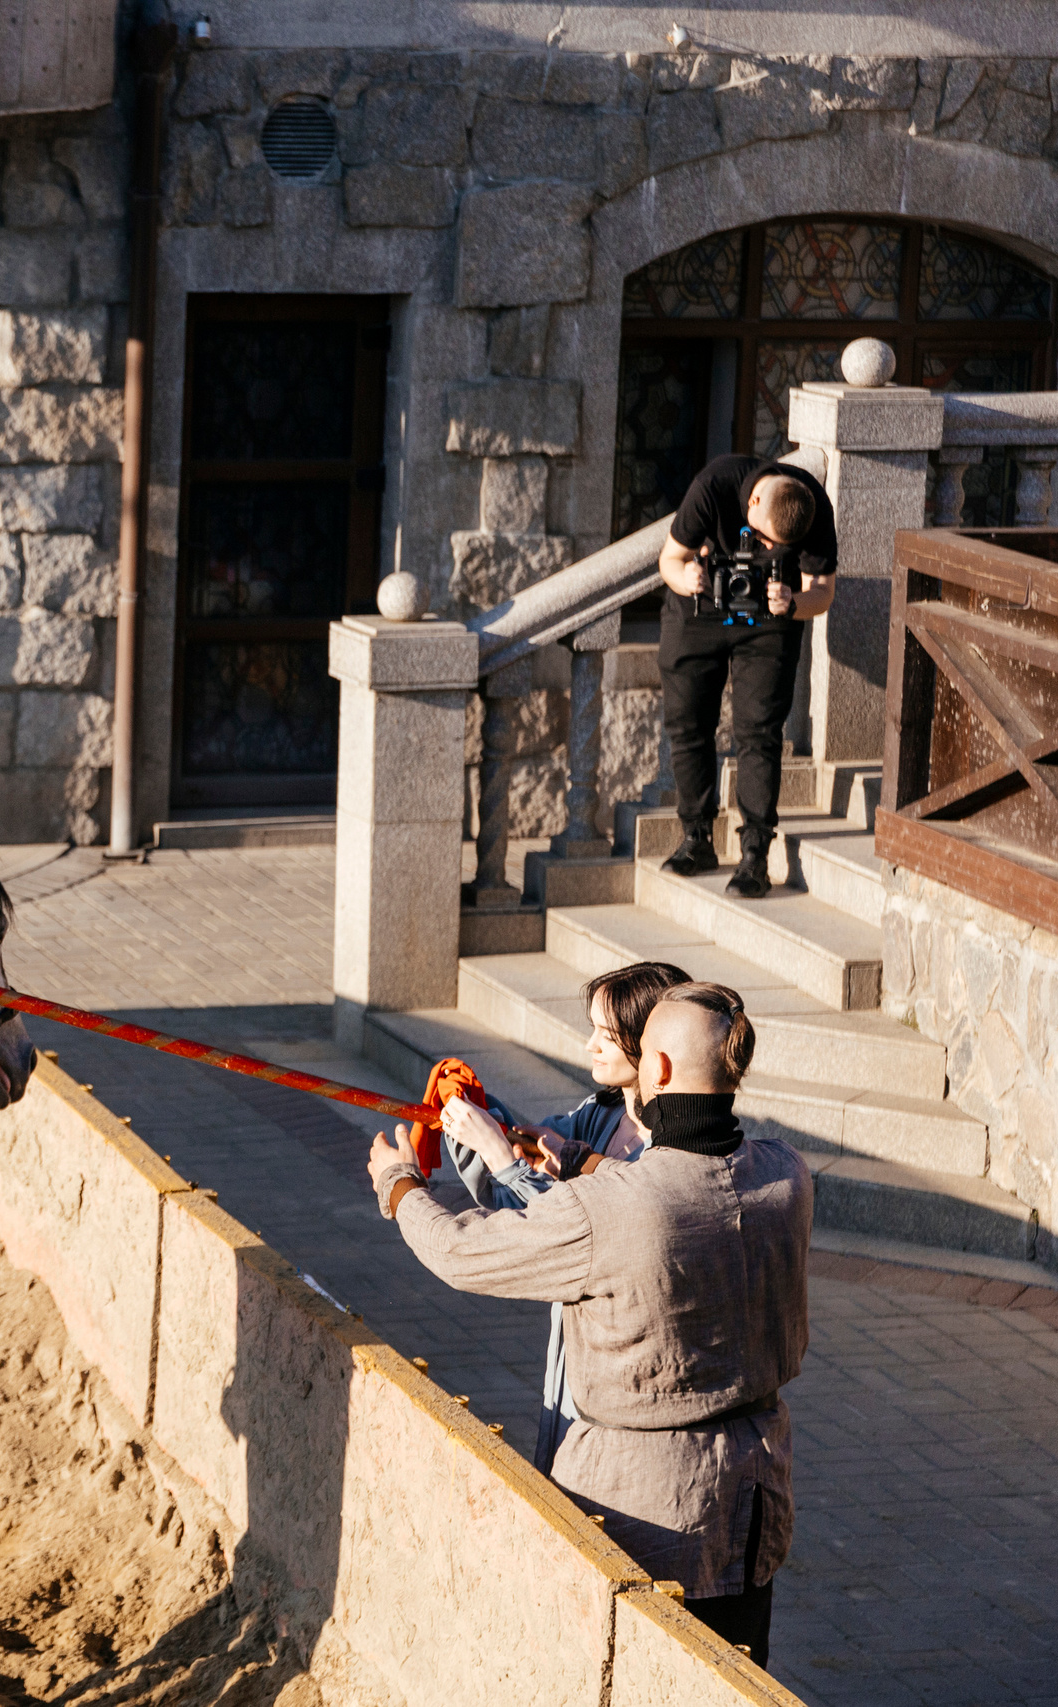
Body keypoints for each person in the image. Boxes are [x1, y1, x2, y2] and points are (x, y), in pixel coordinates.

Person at [368, 983, 810, 1662]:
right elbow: (694, 1182)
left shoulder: (611, 1209)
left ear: (655, 1070)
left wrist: (401, 1184)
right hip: (753, 1502)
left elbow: (460, 1251)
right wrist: (578, 1158)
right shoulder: (786, 1175)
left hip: (642, 1514)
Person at [436, 959, 689, 1472]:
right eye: (591, 1029)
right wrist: (479, 1113)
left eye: (607, 1035)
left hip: (624, 1363)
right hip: (572, 1348)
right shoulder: (601, 1113)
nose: (590, 1046)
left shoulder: (667, 1155)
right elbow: (530, 1158)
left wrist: (499, 1154)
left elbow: (567, 1229)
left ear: (650, 1045)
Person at [655, 453, 840, 899]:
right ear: (753, 500)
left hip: (771, 617)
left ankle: (755, 855)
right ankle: (696, 839)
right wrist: (689, 579)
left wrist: (794, 601)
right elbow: (669, 561)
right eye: (757, 534)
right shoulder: (712, 485)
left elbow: (824, 592)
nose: (762, 546)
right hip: (698, 609)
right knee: (688, 721)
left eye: (774, 545)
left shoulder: (811, 507)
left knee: (759, 730)